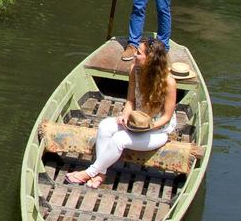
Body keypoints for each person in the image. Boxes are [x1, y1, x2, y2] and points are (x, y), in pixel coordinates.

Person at [65, 39, 178, 188]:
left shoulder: (169, 82)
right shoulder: (134, 70)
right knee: (105, 126)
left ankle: (89, 172)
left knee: (119, 139)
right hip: (136, 121)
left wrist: (147, 126)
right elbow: (130, 101)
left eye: (138, 53)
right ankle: (101, 173)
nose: (134, 55)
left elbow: (166, 117)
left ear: (150, 59)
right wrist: (125, 115)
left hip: (157, 131)